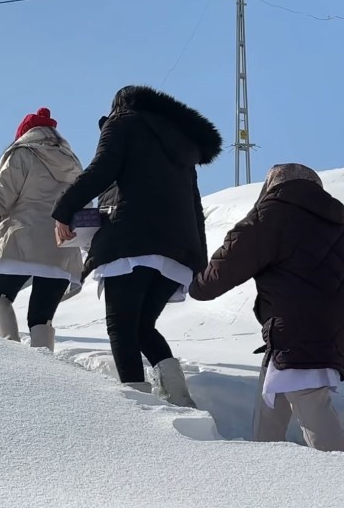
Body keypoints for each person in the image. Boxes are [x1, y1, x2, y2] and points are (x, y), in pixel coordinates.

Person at [52, 86, 222, 405]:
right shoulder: (183, 145)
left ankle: (139, 408)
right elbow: (194, 204)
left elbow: (101, 170)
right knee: (143, 326)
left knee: (122, 327)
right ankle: (178, 398)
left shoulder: (123, 122)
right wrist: (198, 257)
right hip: (177, 252)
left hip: (131, 240)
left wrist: (63, 209)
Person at [190, 164, 344, 452]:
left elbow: (221, 274)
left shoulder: (269, 218)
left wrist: (196, 284)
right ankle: (265, 475)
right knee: (272, 406)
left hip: (295, 334)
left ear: (272, 186)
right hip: (332, 336)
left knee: (315, 414)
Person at [0, 108, 84, 349]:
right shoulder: (73, 162)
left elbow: (0, 195)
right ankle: (43, 366)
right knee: (41, 316)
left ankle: (10, 348)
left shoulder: (21, 154)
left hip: (21, 240)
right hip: (61, 248)